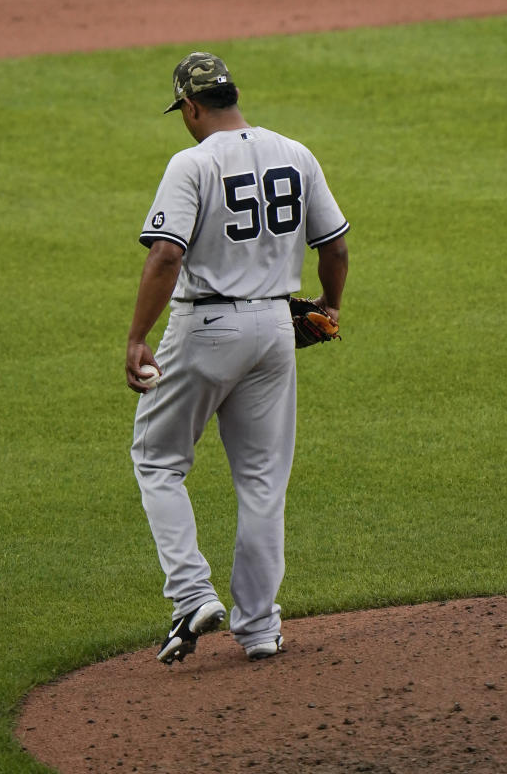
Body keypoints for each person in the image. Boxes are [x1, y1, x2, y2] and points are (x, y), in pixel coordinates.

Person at [126, 51, 349, 663]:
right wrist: (327, 304)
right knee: (261, 483)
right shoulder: (294, 152)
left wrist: (137, 336)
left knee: (158, 461)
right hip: (276, 328)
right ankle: (259, 628)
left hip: (206, 327)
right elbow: (334, 243)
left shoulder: (192, 162)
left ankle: (191, 593)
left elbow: (166, 255)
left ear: (191, 107)